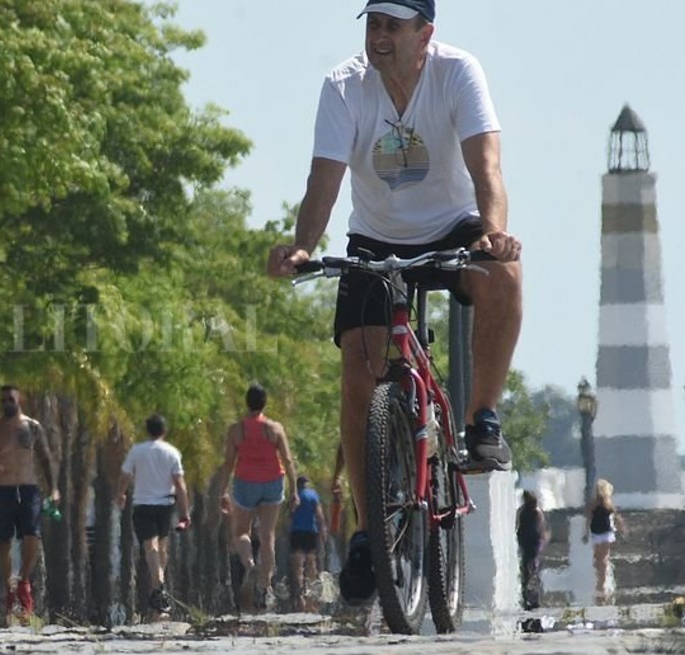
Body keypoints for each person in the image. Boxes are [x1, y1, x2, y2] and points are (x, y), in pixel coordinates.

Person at [265, 0, 522, 606]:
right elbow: (323, 180)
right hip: (375, 239)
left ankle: (482, 417)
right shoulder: (344, 86)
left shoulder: (459, 73)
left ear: (424, 34)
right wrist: (303, 247)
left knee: (504, 276)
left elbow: (487, 166)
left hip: (454, 226)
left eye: (392, 27)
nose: (379, 37)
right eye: (372, 25)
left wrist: (492, 229)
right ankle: (367, 526)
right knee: (358, 371)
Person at [0, 385, 60, 619]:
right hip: (2, 490)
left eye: (10, 398)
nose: (7, 403)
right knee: (3, 540)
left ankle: (23, 579)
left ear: (18, 399)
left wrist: (53, 489)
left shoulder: (32, 427)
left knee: (32, 533)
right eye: (3, 400)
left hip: (28, 487)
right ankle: (9, 585)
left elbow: (45, 457)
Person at [216, 384, 299, 611]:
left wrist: (222, 490)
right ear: (265, 403)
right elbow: (288, 460)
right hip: (273, 482)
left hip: (245, 483)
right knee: (267, 535)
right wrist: (294, 490)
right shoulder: (275, 428)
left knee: (241, 532)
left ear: (247, 402)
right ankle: (265, 585)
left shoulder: (236, 430)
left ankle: (250, 564)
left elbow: (228, 463)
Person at [116, 414, 191, 616]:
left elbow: (125, 474)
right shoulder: (172, 452)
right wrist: (185, 512)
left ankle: (158, 588)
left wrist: (121, 494)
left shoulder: (137, 451)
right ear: (164, 431)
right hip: (166, 505)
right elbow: (180, 486)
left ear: (147, 431)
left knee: (152, 547)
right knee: (161, 548)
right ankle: (158, 588)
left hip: (143, 505)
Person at [288, 476, 326, 612]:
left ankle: (300, 594)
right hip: (311, 531)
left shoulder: (294, 495)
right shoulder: (313, 495)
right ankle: (311, 591)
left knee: (298, 564)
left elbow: (290, 514)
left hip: (297, 531)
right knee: (311, 561)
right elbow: (319, 515)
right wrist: (323, 531)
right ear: (307, 484)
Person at [584, 479, 624, 605]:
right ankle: (601, 582)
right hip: (601, 533)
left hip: (602, 533)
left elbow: (615, 517)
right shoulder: (602, 503)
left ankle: (601, 585)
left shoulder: (601, 503)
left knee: (602, 559)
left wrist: (586, 533)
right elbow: (590, 518)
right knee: (599, 559)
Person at [516, 490, 549, 610]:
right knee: (534, 564)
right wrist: (544, 539)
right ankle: (533, 592)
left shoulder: (522, 510)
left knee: (526, 563)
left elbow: (517, 524)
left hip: (525, 539)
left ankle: (526, 591)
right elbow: (541, 526)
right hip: (534, 540)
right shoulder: (536, 511)